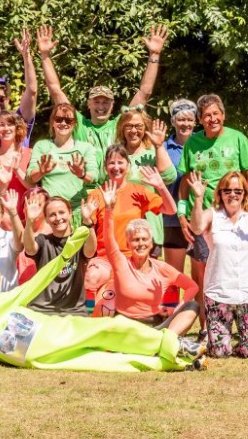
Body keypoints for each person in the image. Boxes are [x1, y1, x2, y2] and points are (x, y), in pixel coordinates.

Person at [0, 227, 207, 372]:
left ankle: (171, 344)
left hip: (62, 331)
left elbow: (40, 279)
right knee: (110, 364)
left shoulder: (5, 299)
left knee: (111, 328)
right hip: (47, 359)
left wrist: (65, 257)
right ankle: (172, 363)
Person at [176, 93, 248, 332]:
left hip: (232, 217)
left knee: (235, 270)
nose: (212, 119)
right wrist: (182, 214)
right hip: (203, 218)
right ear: (200, 120)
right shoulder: (192, 143)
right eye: (206, 115)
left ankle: (242, 326)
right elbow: (185, 182)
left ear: (223, 115)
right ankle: (207, 328)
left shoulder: (237, 138)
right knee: (204, 275)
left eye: (216, 114)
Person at [38, 24, 167, 177]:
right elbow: (55, 90)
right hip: (87, 186)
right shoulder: (79, 124)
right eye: (96, 101)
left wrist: (154, 55)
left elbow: (144, 93)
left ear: (112, 105)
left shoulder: (121, 123)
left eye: (106, 102)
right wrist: (45, 56)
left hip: (116, 184)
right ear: (88, 104)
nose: (101, 106)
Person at [189, 167, 248, 358]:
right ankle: (222, 343)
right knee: (220, 353)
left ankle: (246, 343)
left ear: (244, 193)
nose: (232, 195)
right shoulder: (213, 214)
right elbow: (196, 228)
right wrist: (198, 198)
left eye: (238, 190)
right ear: (220, 193)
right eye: (227, 190)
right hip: (219, 292)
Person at [99, 181, 200, 329]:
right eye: (135, 240)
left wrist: (177, 308)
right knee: (106, 297)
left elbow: (192, 287)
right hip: (126, 326)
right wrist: (109, 210)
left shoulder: (162, 268)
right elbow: (109, 239)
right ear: (128, 244)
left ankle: (168, 338)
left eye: (144, 239)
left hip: (154, 326)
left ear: (151, 243)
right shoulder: (121, 263)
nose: (140, 243)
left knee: (192, 306)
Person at [83, 145, 175, 295]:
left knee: (161, 285)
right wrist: (86, 220)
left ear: (128, 165)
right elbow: (89, 247)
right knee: (92, 277)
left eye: (120, 162)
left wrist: (160, 186)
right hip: (105, 260)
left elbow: (170, 210)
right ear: (105, 167)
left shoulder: (138, 191)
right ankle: (93, 310)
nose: (116, 167)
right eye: (111, 163)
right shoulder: (96, 195)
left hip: (134, 259)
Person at [23, 194, 98, 315]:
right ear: (46, 219)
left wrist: (87, 221)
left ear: (70, 213)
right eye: (52, 215)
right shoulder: (43, 241)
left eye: (62, 212)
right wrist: (29, 221)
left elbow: (90, 251)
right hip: (42, 309)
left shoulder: (78, 240)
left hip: (75, 311)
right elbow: (30, 248)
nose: (58, 218)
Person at [26, 103, 98, 226]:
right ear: (52, 122)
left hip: (77, 212)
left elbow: (94, 177)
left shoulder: (85, 148)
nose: (63, 123)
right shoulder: (42, 146)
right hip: (50, 214)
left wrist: (82, 174)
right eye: (59, 119)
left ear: (75, 124)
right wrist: (41, 172)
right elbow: (30, 178)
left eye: (68, 120)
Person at [114, 107, 176, 246]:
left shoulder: (152, 152)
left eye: (138, 126)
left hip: (149, 225)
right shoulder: (116, 154)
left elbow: (169, 177)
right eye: (129, 126)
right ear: (122, 128)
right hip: (122, 225)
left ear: (145, 128)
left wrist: (159, 146)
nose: (133, 130)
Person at [162, 99, 197, 304]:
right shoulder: (164, 148)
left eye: (190, 120)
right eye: (181, 119)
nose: (185, 124)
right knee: (173, 276)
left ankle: (202, 319)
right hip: (172, 219)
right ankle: (171, 316)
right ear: (173, 121)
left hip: (199, 219)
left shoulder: (202, 144)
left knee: (201, 277)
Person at [0, 111, 32, 220]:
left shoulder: (31, 154)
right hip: (0, 222)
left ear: (17, 127)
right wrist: (4, 185)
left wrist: (17, 170)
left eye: (10, 124)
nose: (6, 128)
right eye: (1, 125)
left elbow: (36, 189)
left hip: (29, 220)